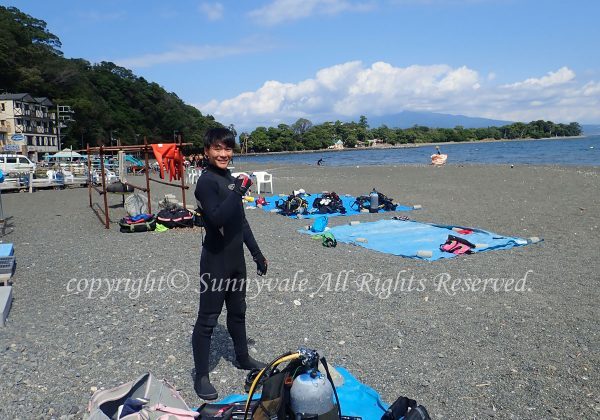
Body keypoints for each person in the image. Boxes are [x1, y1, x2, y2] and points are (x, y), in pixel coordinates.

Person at [192, 127, 268, 400]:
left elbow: (240, 222)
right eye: (217, 149)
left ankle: (243, 358)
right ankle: (201, 375)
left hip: (236, 261)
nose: (223, 154)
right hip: (215, 262)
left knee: (238, 312)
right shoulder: (207, 182)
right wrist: (238, 191)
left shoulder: (231, 180)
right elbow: (216, 219)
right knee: (208, 320)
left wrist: (257, 254)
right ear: (207, 151)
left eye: (228, 149)